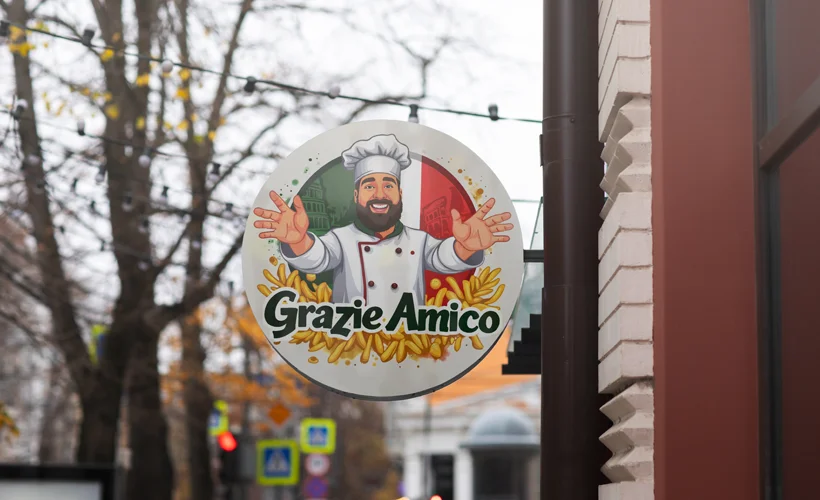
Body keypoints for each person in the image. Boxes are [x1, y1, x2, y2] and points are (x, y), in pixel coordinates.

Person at [253, 134, 514, 312]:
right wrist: (298, 240)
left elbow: (444, 258)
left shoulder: (419, 240)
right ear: (356, 196)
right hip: (350, 346)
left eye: (388, 184)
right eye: (369, 185)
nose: (380, 194)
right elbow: (317, 257)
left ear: (400, 194)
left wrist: (466, 246)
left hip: (411, 347)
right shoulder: (340, 238)